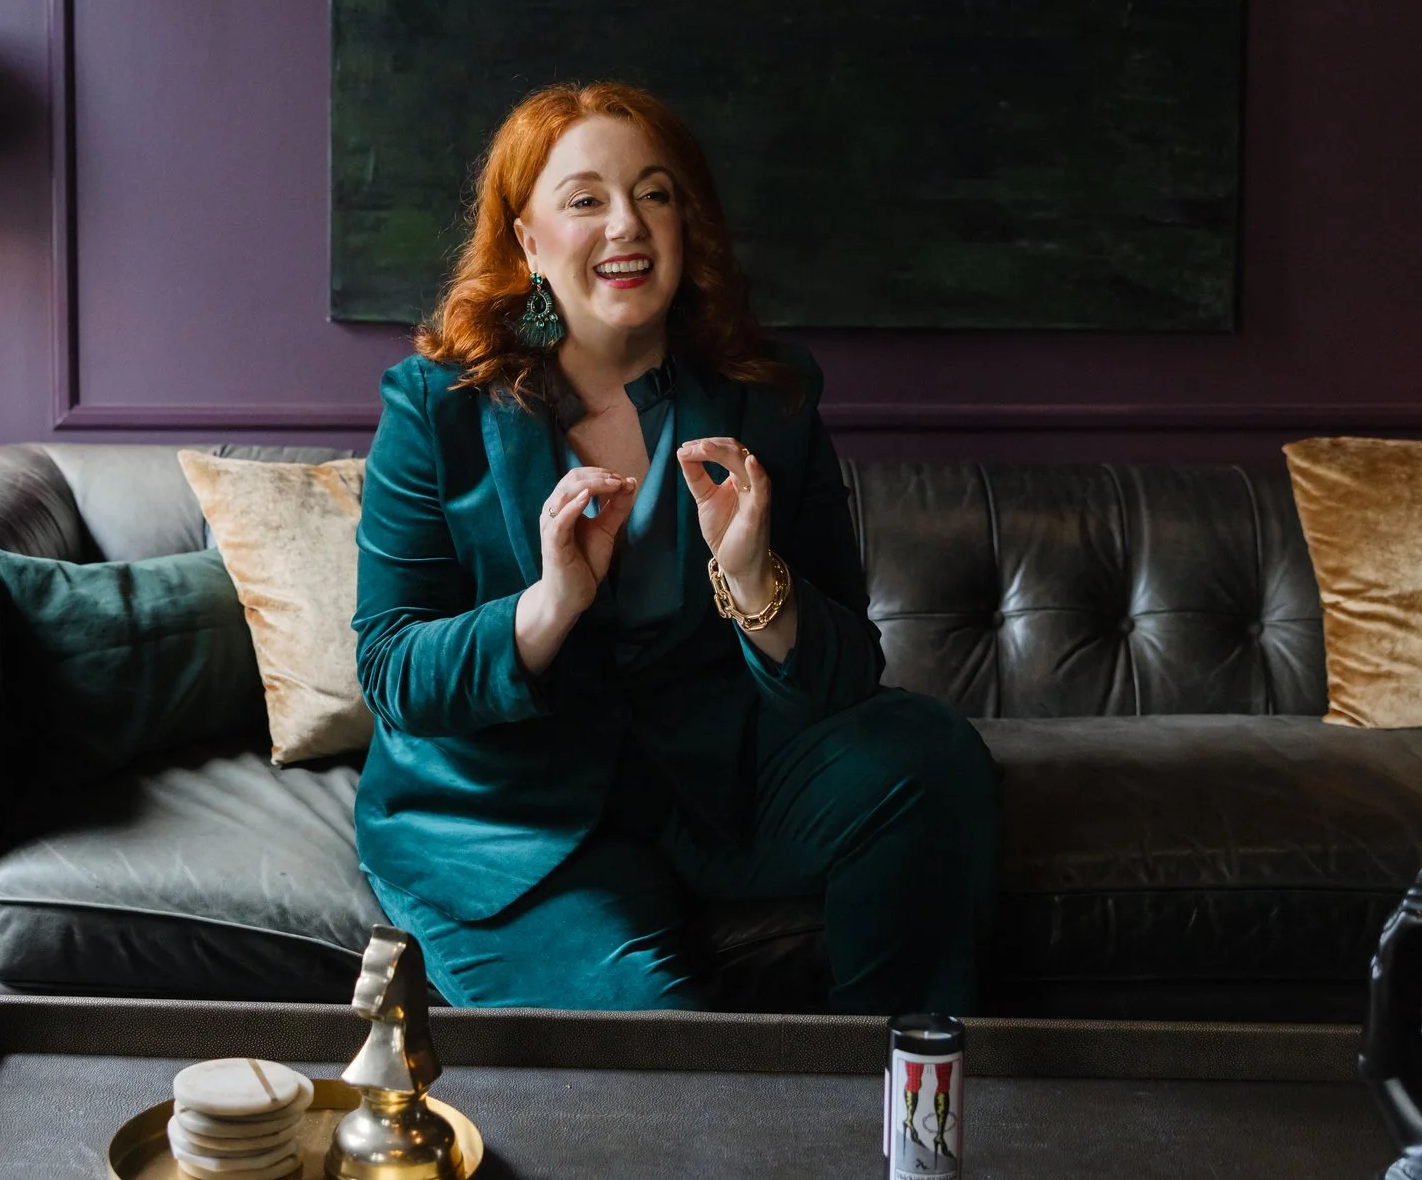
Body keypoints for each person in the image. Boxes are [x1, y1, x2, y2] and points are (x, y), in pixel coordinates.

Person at [352, 81, 1001, 1012]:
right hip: (509, 821)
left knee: (927, 751)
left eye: (654, 193)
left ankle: (898, 1098)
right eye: (586, 200)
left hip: (714, 785)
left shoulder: (768, 397)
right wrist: (547, 607)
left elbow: (847, 669)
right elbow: (390, 667)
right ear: (528, 241)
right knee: (663, 1060)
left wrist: (754, 581)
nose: (629, 224)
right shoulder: (435, 406)